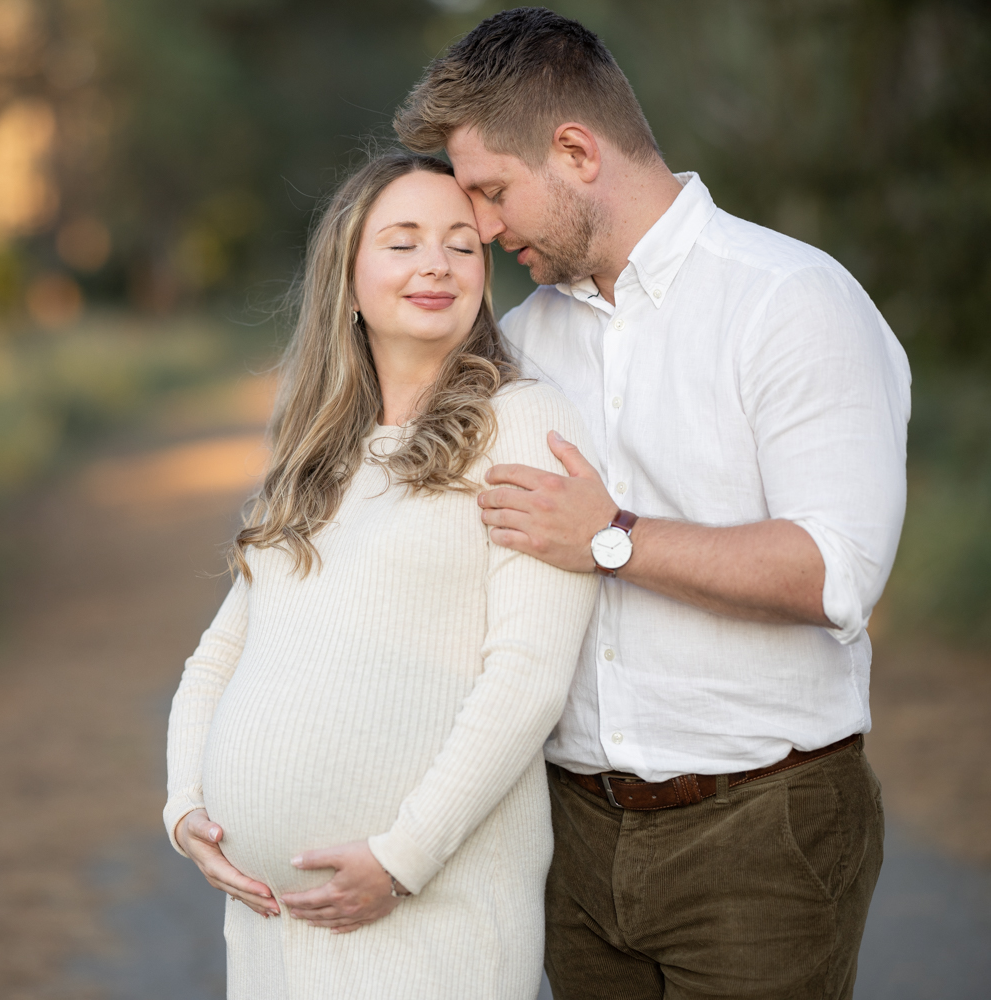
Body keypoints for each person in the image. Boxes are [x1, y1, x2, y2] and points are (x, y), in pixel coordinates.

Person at [393, 8, 911, 1000]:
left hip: (761, 832)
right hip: (569, 836)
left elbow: (836, 571)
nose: (487, 231)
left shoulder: (791, 300)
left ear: (576, 150)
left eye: (494, 193)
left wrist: (613, 537)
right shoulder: (525, 338)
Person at [163, 151, 597, 999]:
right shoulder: (315, 454)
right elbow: (217, 660)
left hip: (427, 921)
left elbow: (528, 679)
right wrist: (185, 810)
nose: (436, 263)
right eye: (403, 243)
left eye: (461, 245)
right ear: (349, 279)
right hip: (271, 930)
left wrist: (401, 862)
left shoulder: (520, 422)